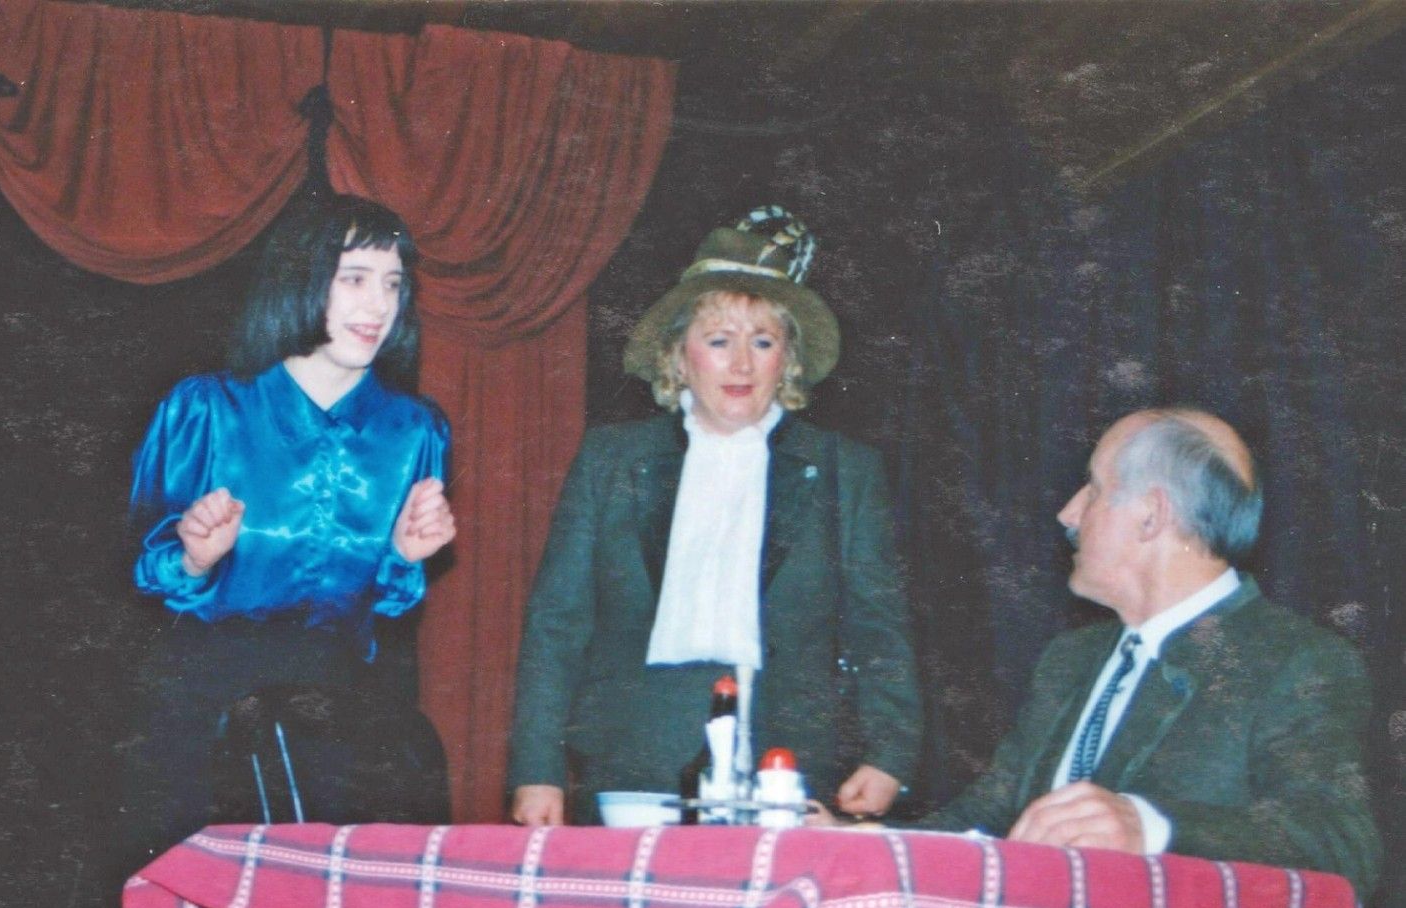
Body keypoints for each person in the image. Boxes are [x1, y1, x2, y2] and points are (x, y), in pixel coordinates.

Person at [507, 206, 920, 825]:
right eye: (719, 341)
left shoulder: (844, 471)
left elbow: (879, 630)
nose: (742, 364)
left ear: (789, 359)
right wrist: (536, 770)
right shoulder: (610, 461)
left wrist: (890, 755)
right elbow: (556, 626)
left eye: (763, 342)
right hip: (633, 762)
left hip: (789, 766)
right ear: (679, 356)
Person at [922, 408, 1380, 895]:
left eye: (1093, 489)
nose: (1068, 513)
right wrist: (874, 842)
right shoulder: (1069, 658)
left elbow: (1340, 845)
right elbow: (985, 815)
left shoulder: (1296, 660)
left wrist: (1150, 827)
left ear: (1151, 515)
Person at [125, 193, 454, 850]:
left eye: (393, 284)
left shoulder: (416, 430)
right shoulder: (206, 409)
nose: (379, 305)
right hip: (206, 710)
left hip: (339, 714)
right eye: (354, 278)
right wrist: (192, 558)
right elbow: (133, 572)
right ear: (302, 279)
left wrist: (403, 559)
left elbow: (390, 610)